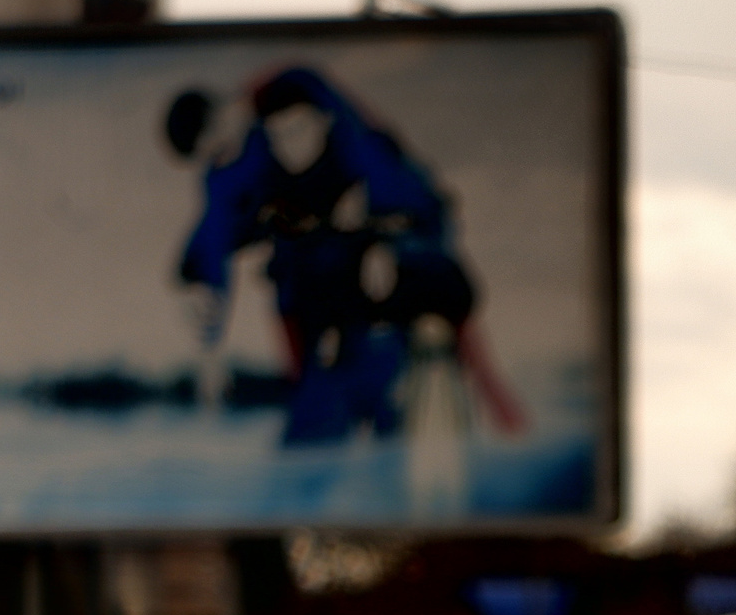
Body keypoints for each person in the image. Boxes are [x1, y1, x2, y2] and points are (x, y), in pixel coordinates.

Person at [169, 67, 522, 447]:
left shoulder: (295, 97)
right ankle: (328, 413)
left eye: (220, 147)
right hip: (319, 259)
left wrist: (387, 236)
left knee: (431, 293)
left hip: (394, 230)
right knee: (295, 286)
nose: (222, 159)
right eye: (213, 157)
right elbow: (214, 237)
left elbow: (374, 156)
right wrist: (205, 316)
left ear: (225, 112)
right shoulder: (226, 172)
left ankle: (494, 415)